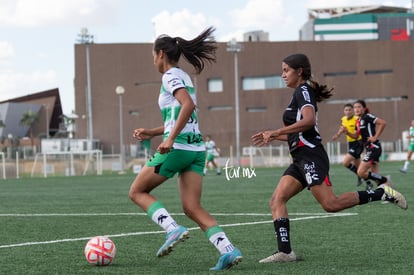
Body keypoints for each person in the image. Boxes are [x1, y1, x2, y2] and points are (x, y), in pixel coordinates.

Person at [251, 53, 407, 264]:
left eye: (286, 70)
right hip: (300, 158)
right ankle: (285, 252)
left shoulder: (303, 90)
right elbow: (299, 133)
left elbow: (308, 120)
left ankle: (382, 193)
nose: (283, 74)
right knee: (277, 200)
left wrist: (276, 130)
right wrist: (273, 135)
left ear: (299, 71)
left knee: (330, 204)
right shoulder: (298, 93)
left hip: (311, 157)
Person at [128, 26, 242, 271]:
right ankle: (228, 251)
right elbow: (180, 115)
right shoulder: (184, 76)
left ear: (160, 54)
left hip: (178, 148)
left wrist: (168, 140)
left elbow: (187, 106)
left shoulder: (169, 76)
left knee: (137, 191)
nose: (153, 60)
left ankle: (172, 229)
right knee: (192, 207)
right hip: (195, 150)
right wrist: (153, 132)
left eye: (153, 55)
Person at [344, 100, 389, 188]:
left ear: (364, 108)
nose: (356, 109)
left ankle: (385, 180)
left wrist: (375, 137)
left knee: (361, 172)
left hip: (374, 147)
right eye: (355, 107)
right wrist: (347, 132)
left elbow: (383, 123)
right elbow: (356, 136)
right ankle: (389, 193)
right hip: (369, 148)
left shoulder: (367, 117)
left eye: (359, 107)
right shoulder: (358, 121)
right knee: (375, 175)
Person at [332, 103, 371, 188]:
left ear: (352, 111)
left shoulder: (357, 119)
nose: (348, 111)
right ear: (344, 111)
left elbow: (358, 132)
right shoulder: (343, 119)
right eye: (346, 110)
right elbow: (342, 128)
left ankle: (360, 177)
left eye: (350, 110)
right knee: (358, 167)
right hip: (351, 143)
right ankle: (368, 183)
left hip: (358, 142)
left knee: (345, 162)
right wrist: (337, 135)